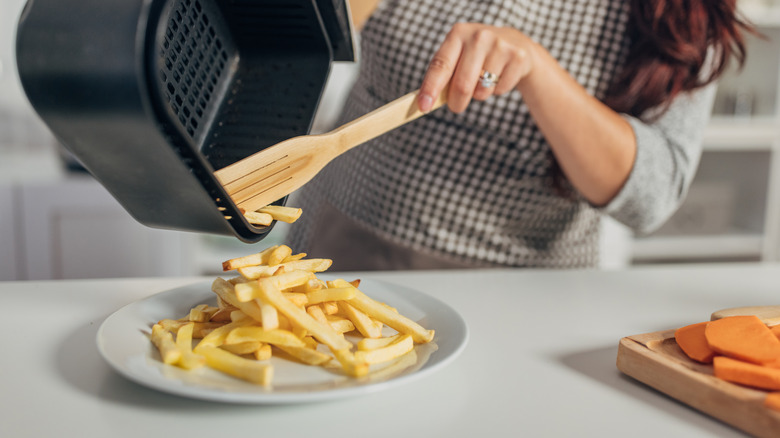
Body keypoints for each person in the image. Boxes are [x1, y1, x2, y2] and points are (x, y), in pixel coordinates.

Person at [287, 0, 753, 270]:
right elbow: (308, 28)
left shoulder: (689, 17)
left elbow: (651, 197)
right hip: (341, 246)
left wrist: (537, 69)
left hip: (518, 284)